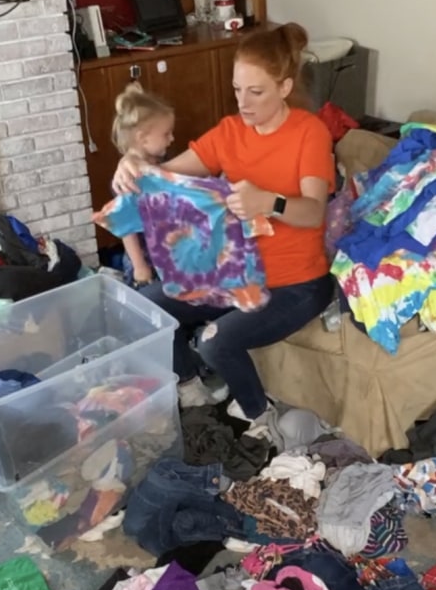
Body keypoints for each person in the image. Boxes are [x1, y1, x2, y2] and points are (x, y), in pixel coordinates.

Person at [109, 23, 335, 424]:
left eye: (256, 91)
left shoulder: (309, 133)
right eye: (237, 90)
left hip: (296, 284)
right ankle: (192, 387)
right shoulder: (230, 132)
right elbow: (165, 177)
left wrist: (269, 201)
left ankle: (259, 419)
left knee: (215, 342)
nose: (243, 103)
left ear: (284, 87)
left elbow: (314, 211)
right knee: (147, 308)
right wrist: (131, 164)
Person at [94, 83, 175, 286]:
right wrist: (140, 267)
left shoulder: (158, 162)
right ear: (142, 138)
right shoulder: (130, 177)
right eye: (166, 134)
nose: (172, 139)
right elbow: (127, 226)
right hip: (144, 258)